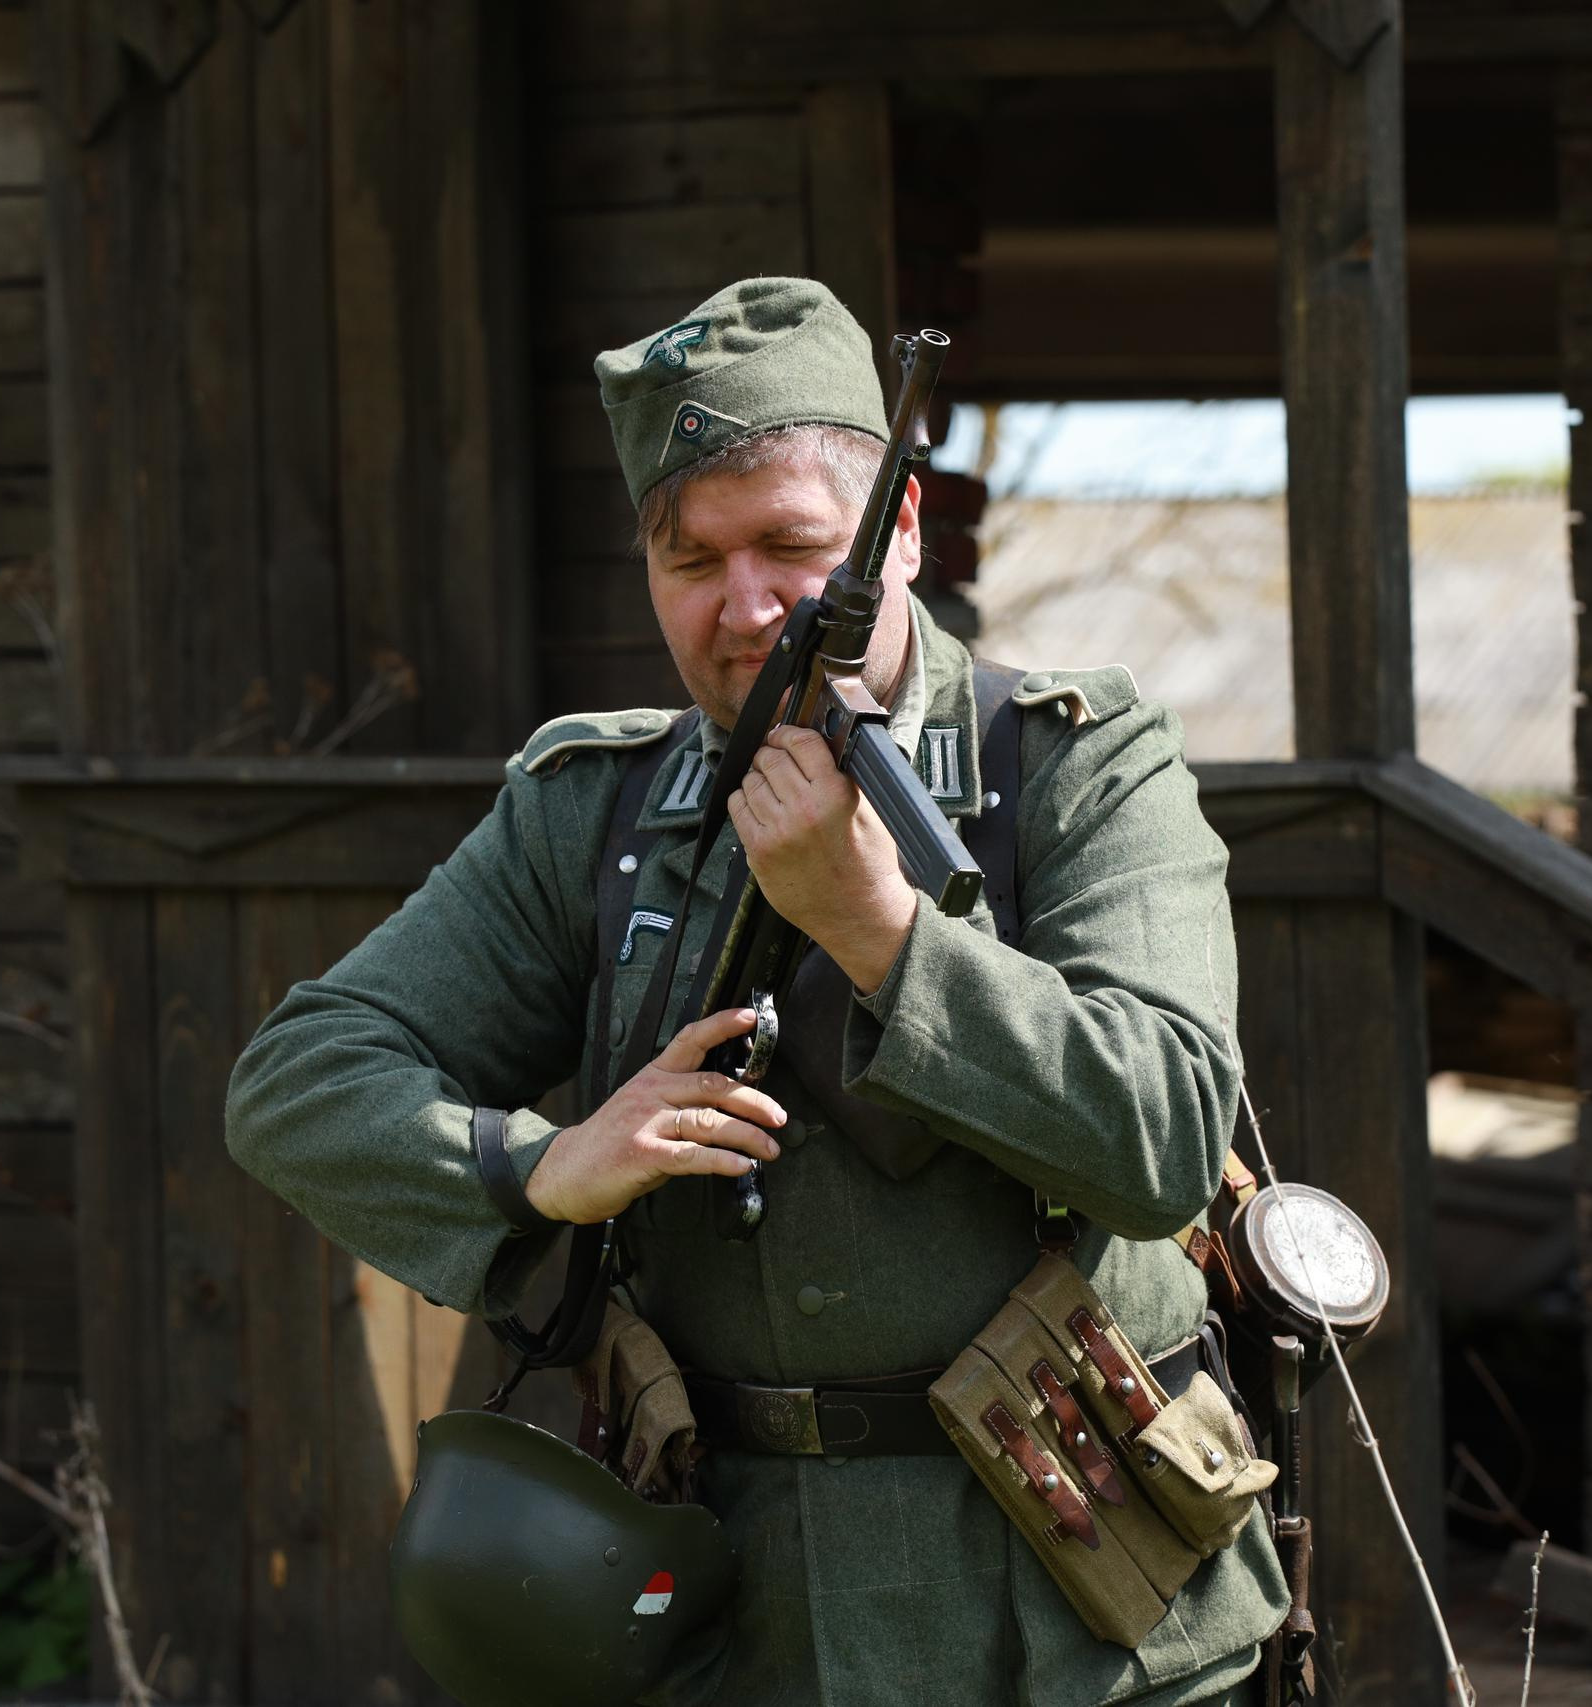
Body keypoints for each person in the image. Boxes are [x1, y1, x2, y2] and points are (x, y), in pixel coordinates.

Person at [225, 276, 1287, 1705]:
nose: (748, 606)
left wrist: (883, 937)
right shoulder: (592, 810)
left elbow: (1162, 1140)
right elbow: (300, 1084)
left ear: (897, 530)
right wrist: (546, 1168)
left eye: (794, 546)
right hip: (739, 1626)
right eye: (691, 559)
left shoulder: (1076, 767)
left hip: (1075, 1619)